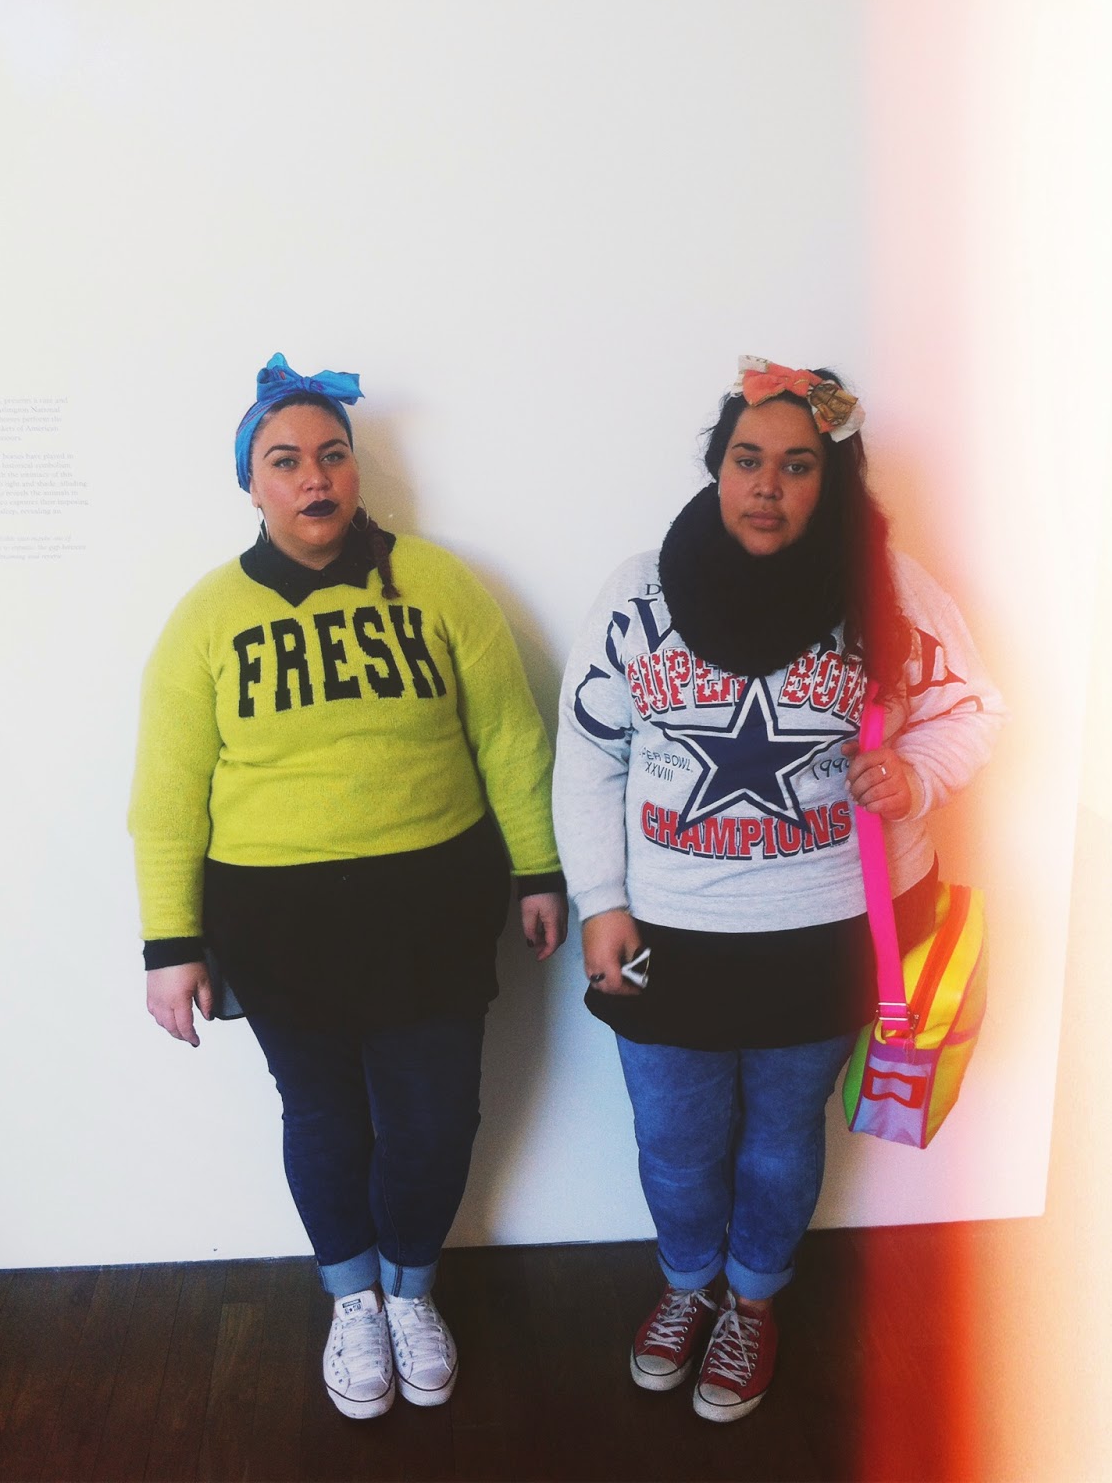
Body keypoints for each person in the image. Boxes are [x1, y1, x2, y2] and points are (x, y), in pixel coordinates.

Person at [552, 356, 1002, 1422]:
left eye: (798, 466)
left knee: (782, 1140)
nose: (766, 485)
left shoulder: (886, 591)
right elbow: (588, 753)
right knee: (673, 1141)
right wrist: (600, 899)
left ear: (831, 479)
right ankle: (685, 1285)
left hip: (825, 935)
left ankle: (751, 1300)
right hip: (664, 937)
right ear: (715, 468)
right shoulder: (638, 592)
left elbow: (972, 709)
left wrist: (914, 773)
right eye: (746, 459)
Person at [129, 353, 566, 1420]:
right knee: (324, 1117)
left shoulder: (440, 584)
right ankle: (352, 1299)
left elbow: (511, 738)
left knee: (435, 1118)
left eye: (332, 455)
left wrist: (539, 868)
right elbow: (168, 793)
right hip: (275, 921)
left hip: (432, 906)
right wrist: (169, 942)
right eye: (285, 460)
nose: (313, 477)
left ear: (356, 471)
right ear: (251, 483)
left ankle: (411, 1290)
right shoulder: (207, 617)